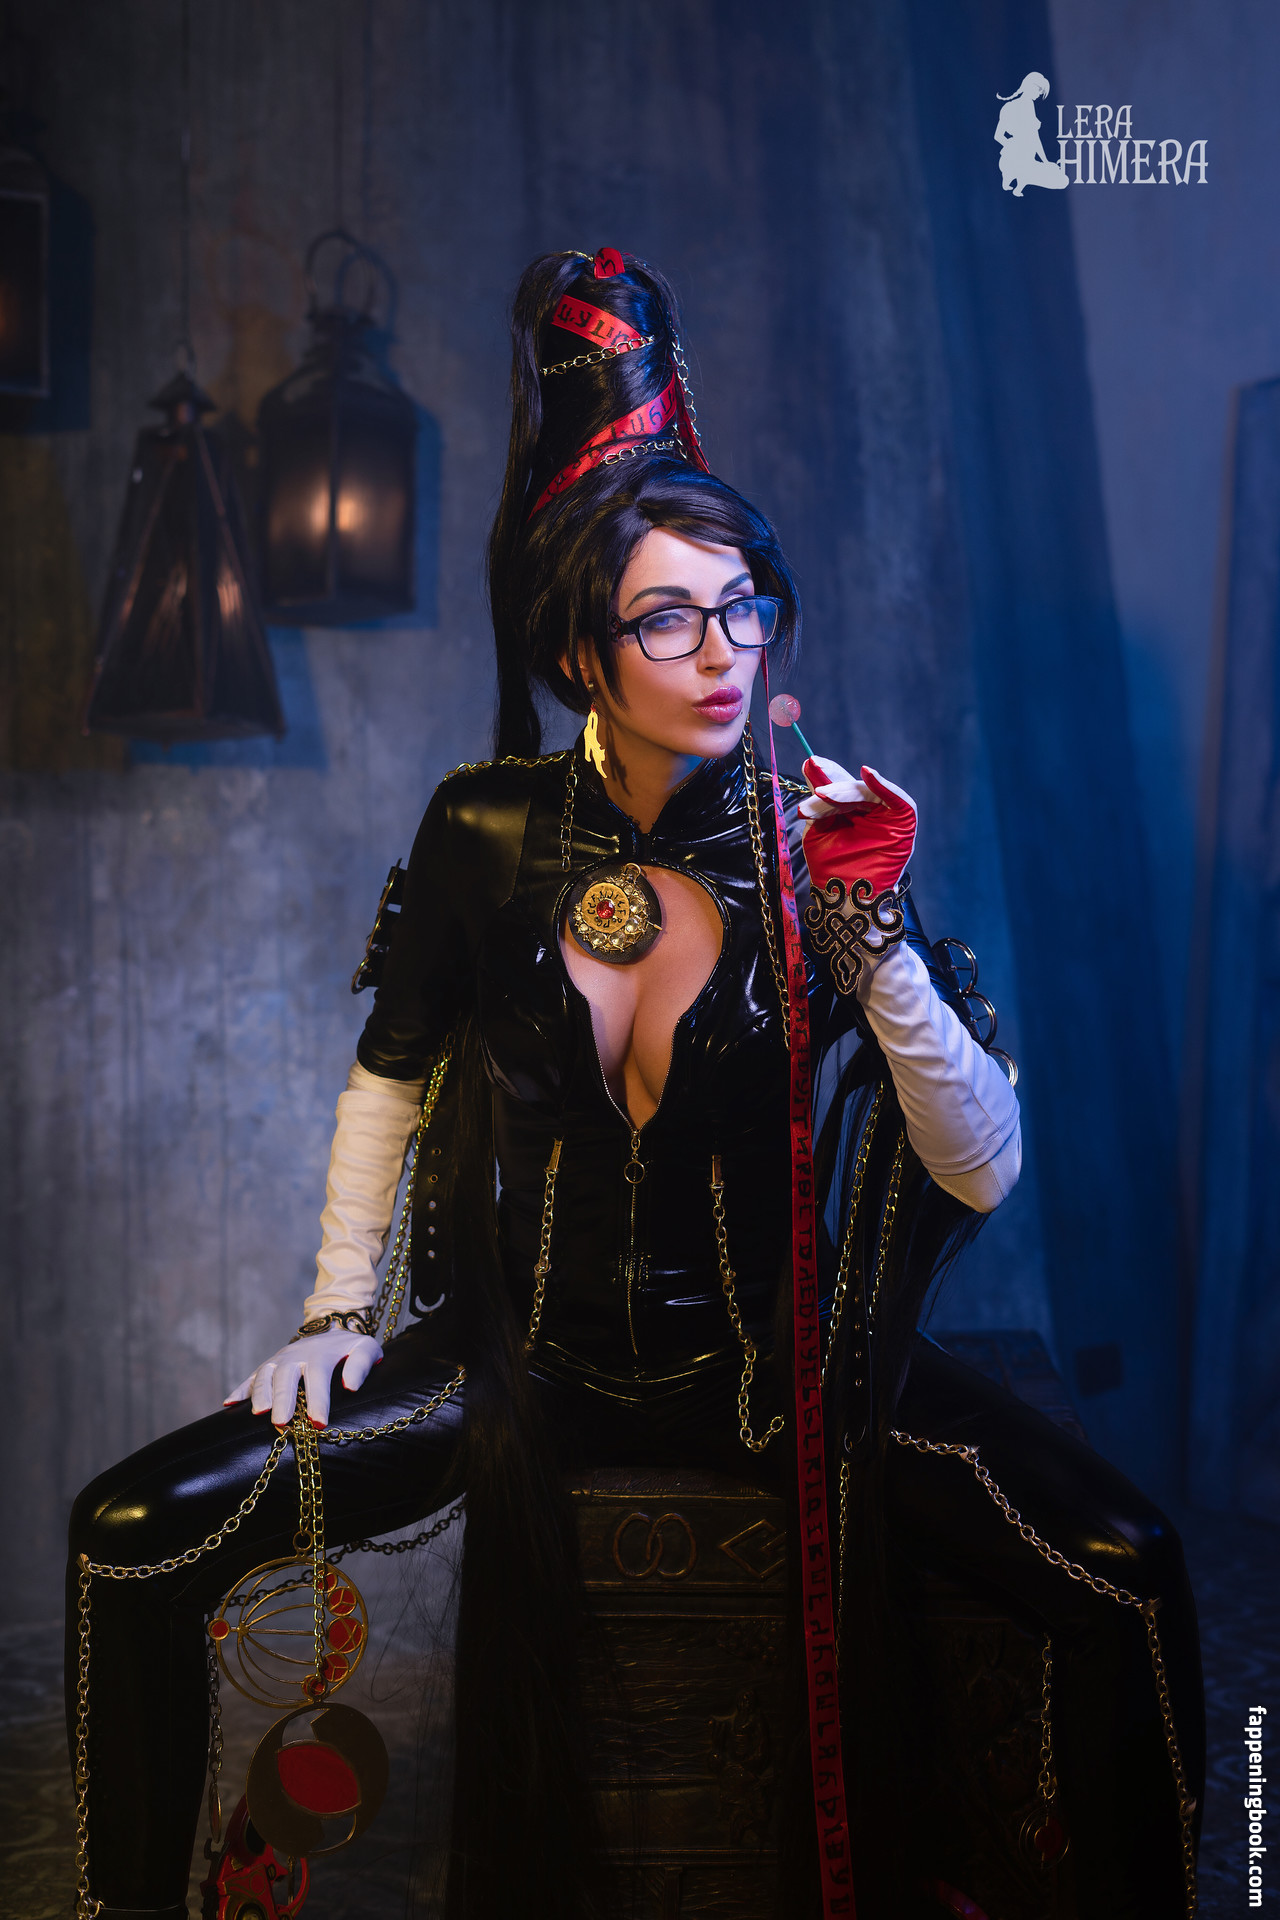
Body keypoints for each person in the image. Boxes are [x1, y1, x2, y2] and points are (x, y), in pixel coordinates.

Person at [68, 248, 1203, 1920]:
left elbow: (979, 1170)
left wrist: (874, 941)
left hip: (785, 1379)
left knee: (1129, 1566)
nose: (722, 652)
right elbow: (391, 1077)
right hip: (515, 1372)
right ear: (582, 653)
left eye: (747, 608)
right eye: (668, 618)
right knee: (132, 1532)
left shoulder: (817, 835)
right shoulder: (485, 827)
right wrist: (335, 1311)